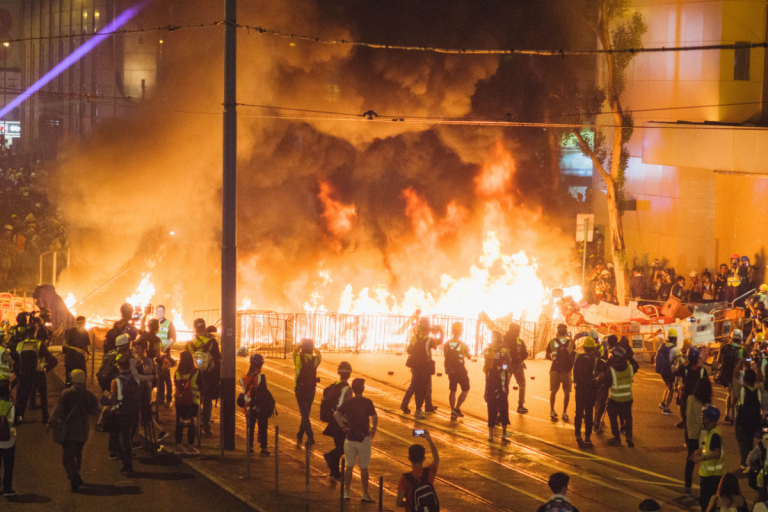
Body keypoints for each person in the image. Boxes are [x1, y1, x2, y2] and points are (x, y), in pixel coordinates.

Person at [46, 369, 99, 492]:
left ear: (72, 379)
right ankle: (77, 475)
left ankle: (75, 478)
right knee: (77, 453)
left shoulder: (66, 393)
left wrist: (49, 423)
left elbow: (58, 410)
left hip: (69, 431)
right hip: (83, 432)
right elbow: (95, 412)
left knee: (67, 458)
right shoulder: (89, 395)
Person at [335, 378, 378, 502]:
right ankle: (365, 493)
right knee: (364, 467)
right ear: (363, 388)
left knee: (349, 466)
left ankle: (347, 491)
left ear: (352, 389)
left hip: (350, 438)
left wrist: (343, 427)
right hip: (364, 438)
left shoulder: (348, 402)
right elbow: (374, 416)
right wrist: (373, 429)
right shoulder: (367, 402)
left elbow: (336, 414)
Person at [400, 317, 442, 419]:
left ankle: (404, 405)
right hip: (425, 367)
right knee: (423, 388)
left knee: (414, 385)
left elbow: (409, 350)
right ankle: (418, 410)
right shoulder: (429, 340)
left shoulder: (414, 338)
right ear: (427, 329)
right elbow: (439, 342)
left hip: (415, 366)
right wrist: (441, 331)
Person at [11, 321, 52, 423]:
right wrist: (44, 367)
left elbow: (15, 360)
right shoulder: (39, 344)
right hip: (38, 373)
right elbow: (49, 358)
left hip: (25, 374)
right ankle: (45, 417)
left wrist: (20, 373)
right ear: (35, 332)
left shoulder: (20, 345)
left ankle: (20, 417)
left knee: (23, 397)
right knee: (43, 395)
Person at [188, 318, 220, 436]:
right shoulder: (212, 342)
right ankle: (206, 425)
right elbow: (217, 360)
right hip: (208, 375)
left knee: (195, 399)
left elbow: (187, 360)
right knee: (207, 401)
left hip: (194, 375)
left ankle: (196, 423)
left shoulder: (190, 344)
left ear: (195, 328)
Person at [108, 358, 140, 473]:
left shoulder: (115, 381)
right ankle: (129, 463)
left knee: (115, 441)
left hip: (118, 413)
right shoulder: (134, 380)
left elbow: (113, 398)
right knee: (127, 440)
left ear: (119, 367)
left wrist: (107, 397)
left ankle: (125, 460)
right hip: (131, 413)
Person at [692, 405, 725, 512]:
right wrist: (699, 451)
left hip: (711, 475)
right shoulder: (712, 431)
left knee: (706, 502)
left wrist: (701, 458)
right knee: (706, 501)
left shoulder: (715, 434)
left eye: (704, 418)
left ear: (711, 419)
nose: (703, 420)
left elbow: (717, 453)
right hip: (710, 474)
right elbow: (708, 445)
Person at [572, 337, 603, 448]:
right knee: (589, 413)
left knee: (579, 413)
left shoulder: (577, 357)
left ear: (584, 348)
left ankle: (577, 435)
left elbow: (574, 372)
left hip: (580, 387)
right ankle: (588, 438)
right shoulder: (596, 360)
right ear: (593, 348)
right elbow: (602, 372)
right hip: (591, 388)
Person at [323, 361, 352, 478]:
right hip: (341, 421)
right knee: (346, 447)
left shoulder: (334, 385)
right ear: (349, 374)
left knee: (338, 445)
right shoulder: (348, 389)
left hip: (333, 419)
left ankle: (334, 471)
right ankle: (330, 456)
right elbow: (349, 408)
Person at [396, 430, 439, 510]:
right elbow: (436, 458)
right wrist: (429, 440)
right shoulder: (429, 472)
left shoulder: (405, 478)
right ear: (424, 458)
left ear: (409, 458)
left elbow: (398, 503)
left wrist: (410, 504)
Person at [684, 378, 712, 497]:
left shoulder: (690, 399)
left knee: (690, 460)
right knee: (704, 460)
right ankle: (704, 489)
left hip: (690, 433)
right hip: (701, 435)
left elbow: (686, 415)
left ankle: (687, 487)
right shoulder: (706, 404)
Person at [239, 354, 271, 457]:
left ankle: (250, 448)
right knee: (263, 427)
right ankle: (263, 449)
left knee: (250, 428)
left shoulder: (243, 378)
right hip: (259, 407)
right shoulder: (261, 378)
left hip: (248, 407)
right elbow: (263, 393)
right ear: (258, 366)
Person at [483, 330, 511, 442]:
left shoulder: (487, 350)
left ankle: (490, 434)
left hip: (489, 381)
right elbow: (508, 362)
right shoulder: (505, 350)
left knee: (491, 406)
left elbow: (487, 364)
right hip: (501, 382)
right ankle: (504, 433)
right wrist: (502, 369)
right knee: (503, 406)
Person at [293, 337, 321, 447]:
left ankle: (310, 436)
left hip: (299, 388)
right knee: (306, 412)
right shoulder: (315, 360)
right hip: (311, 389)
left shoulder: (298, 358)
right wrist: (315, 349)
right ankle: (300, 434)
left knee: (304, 413)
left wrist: (298, 347)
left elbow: (293, 353)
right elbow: (319, 355)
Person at [606, 346, 634, 447]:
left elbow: (607, 383)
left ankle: (616, 438)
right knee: (628, 417)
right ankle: (629, 437)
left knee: (613, 418)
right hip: (628, 397)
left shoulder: (612, 370)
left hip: (615, 398)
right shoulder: (630, 367)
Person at [675, 347, 708, 432]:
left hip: (686, 393)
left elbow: (676, 372)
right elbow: (707, 382)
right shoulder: (701, 369)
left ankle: (685, 423)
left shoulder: (685, 368)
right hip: (698, 393)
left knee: (683, 409)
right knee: (697, 411)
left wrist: (684, 363)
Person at [174, 351, 200, 455]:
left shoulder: (177, 371)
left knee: (179, 423)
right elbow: (201, 385)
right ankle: (190, 447)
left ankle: (178, 446)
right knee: (190, 424)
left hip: (179, 401)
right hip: (192, 401)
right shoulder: (196, 372)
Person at [546, 324, 574, 421]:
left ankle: (552, 410)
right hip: (566, 371)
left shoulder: (552, 342)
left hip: (554, 369)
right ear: (566, 332)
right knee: (566, 392)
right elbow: (572, 355)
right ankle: (564, 412)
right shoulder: (570, 342)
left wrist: (554, 359)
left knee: (553, 391)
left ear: (557, 332)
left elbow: (547, 355)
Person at [145, 318, 175, 408]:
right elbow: (157, 354)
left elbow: (173, 338)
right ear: (157, 327)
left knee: (161, 379)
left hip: (146, 360)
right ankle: (161, 400)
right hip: (156, 360)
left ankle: (164, 400)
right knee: (162, 379)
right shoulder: (157, 339)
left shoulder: (144, 334)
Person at [735, 369, 761, 471]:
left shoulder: (743, 390)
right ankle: (750, 461)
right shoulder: (756, 390)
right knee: (749, 442)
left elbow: (740, 405)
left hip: (742, 421)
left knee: (742, 443)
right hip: (752, 422)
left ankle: (745, 464)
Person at [444, 322, 471, 420]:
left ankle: (452, 411)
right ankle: (457, 408)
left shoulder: (446, 343)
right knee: (465, 388)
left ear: (452, 331)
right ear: (460, 332)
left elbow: (445, 355)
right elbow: (469, 357)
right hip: (460, 369)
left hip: (450, 369)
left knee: (453, 390)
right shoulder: (463, 344)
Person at [503, 322, 529, 414]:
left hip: (505, 366)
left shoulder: (503, 340)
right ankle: (520, 405)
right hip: (518, 365)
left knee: (504, 385)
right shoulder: (519, 341)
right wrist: (521, 359)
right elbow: (525, 353)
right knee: (522, 384)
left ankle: (502, 405)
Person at [657, 329, 681, 416]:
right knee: (671, 389)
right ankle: (666, 409)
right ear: (675, 338)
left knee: (668, 386)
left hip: (662, 370)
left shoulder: (662, 346)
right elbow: (681, 360)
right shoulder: (675, 349)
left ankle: (663, 403)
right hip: (669, 370)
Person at [62, 316, 90, 388]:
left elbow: (86, 345)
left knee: (82, 377)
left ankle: (81, 395)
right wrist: (76, 349)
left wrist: (88, 354)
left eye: (82, 322)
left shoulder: (85, 333)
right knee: (70, 378)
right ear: (76, 323)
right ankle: (68, 394)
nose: (81, 324)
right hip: (70, 358)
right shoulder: (70, 332)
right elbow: (64, 344)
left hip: (80, 359)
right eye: (79, 322)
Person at [0, 380, 16, 498]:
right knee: (8, 466)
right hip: (10, 441)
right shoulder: (13, 406)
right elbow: (19, 420)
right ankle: (7, 489)